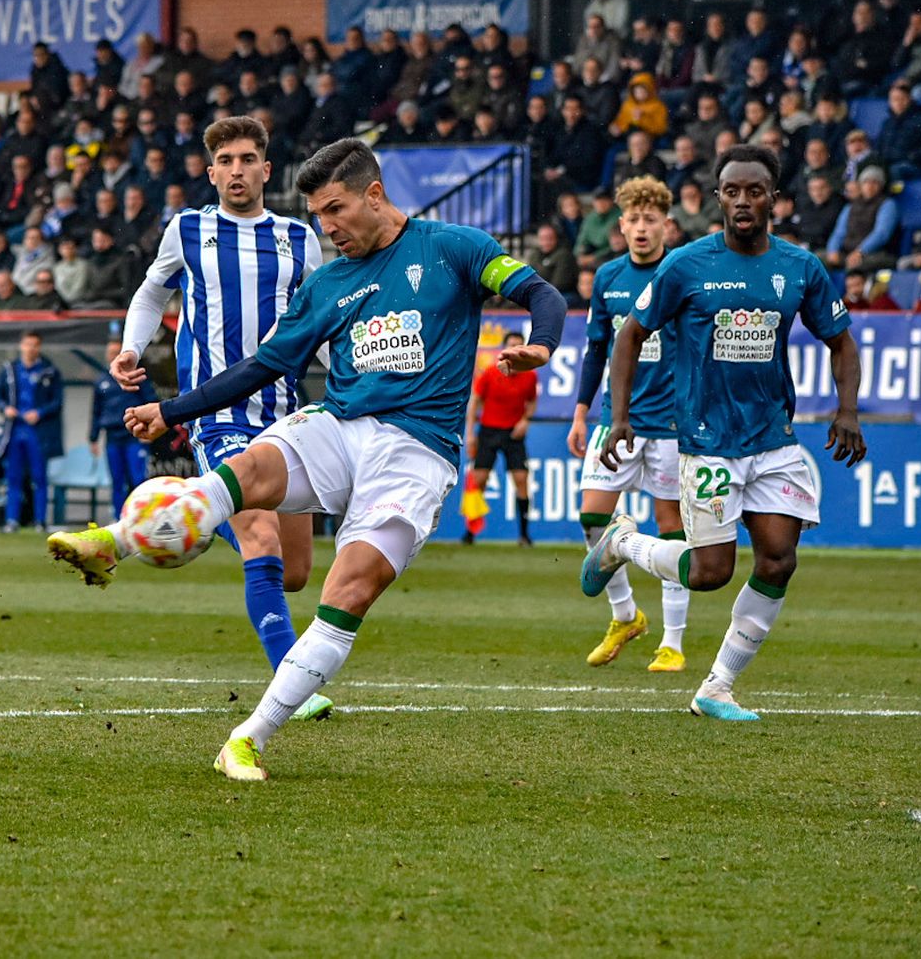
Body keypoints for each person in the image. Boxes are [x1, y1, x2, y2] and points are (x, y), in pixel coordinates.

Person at [112, 139, 566, 779]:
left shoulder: (454, 248)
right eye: (318, 216)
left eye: (335, 210)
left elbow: (542, 294)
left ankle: (246, 738)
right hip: (340, 425)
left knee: (347, 589)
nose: (327, 228)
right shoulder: (327, 284)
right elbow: (263, 367)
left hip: (417, 450)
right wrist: (172, 410)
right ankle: (127, 538)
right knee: (252, 468)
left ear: (374, 195)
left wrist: (542, 345)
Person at [49, 116, 328, 706]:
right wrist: (131, 347)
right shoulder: (189, 228)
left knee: (295, 572)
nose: (236, 170)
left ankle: (127, 535)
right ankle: (294, 688)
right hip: (217, 412)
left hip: (285, 415)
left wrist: (357, 372)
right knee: (260, 534)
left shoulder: (299, 238)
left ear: (266, 170)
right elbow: (153, 291)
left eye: (247, 159)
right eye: (225, 161)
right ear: (211, 172)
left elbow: (319, 320)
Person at [584, 145, 864, 722]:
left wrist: (848, 410)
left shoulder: (800, 267)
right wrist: (618, 415)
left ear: (773, 199)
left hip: (773, 440)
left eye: (754, 191)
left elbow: (841, 341)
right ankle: (621, 544)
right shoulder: (686, 265)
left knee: (778, 561)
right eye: (732, 190)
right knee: (711, 573)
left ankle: (717, 686)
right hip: (707, 442)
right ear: (718, 198)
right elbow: (629, 336)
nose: (743, 200)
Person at [568, 176, 690, 672]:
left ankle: (673, 643)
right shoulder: (608, 277)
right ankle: (625, 616)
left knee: (672, 529)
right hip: (614, 420)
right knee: (592, 518)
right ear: (621, 226)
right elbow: (596, 348)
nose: (641, 228)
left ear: (667, 225)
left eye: (650, 220)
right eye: (634, 220)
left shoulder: (681, 272)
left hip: (669, 424)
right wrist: (581, 413)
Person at [460, 332, 539, 546]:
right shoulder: (489, 373)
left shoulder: (530, 376)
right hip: (488, 431)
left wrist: (525, 420)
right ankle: (470, 532)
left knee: (521, 479)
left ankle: (524, 535)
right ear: (503, 350)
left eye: (519, 346)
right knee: (478, 481)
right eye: (511, 346)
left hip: (514, 434)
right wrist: (470, 434)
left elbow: (532, 401)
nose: (515, 350)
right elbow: (475, 402)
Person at [0, 330, 63, 533]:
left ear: (39, 347)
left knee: (39, 477)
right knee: (13, 477)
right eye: (27, 344)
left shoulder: (49, 371)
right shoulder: (9, 370)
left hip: (38, 432)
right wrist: (5, 409)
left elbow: (57, 401)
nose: (31, 349)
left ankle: (40, 521)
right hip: (15, 430)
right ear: (21, 346)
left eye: (35, 345)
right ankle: (11, 520)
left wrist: (40, 412)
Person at [89, 339, 157, 513]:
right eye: (110, 353)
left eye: (116, 353)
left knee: (138, 479)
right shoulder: (102, 380)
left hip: (134, 435)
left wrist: (149, 428)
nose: (113, 356)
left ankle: (141, 516)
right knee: (117, 480)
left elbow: (151, 403)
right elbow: (96, 411)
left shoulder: (137, 377)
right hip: (112, 437)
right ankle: (119, 517)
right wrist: (93, 438)